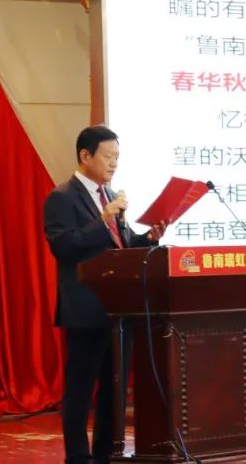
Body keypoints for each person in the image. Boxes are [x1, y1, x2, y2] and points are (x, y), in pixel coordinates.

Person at [43, 125, 167, 464]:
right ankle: (78, 457)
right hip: (84, 310)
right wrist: (102, 219)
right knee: (81, 389)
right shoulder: (61, 197)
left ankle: (106, 453)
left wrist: (148, 239)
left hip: (118, 310)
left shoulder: (110, 196)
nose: (114, 164)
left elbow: (121, 246)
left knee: (114, 389)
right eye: (108, 156)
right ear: (85, 156)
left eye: (117, 157)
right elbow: (63, 246)